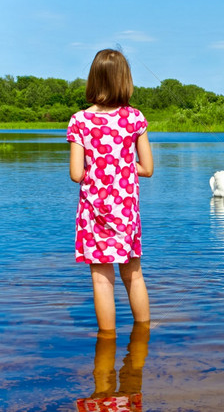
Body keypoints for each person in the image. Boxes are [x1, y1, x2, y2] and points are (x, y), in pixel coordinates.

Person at [67, 49, 153, 331]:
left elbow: (76, 174)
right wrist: (122, 166)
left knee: (102, 280)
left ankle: (106, 345)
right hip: (125, 211)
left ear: (94, 80)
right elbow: (147, 168)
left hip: (95, 213)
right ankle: (142, 336)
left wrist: (101, 167)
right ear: (124, 80)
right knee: (134, 275)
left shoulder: (79, 121)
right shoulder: (134, 118)